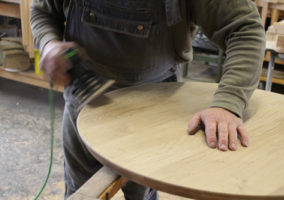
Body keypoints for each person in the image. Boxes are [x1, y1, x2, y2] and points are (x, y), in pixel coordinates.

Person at [30, 0, 265, 199]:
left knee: (142, 193)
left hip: (156, 110)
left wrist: (227, 102)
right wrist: (49, 43)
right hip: (84, 100)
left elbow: (245, 29)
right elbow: (42, 11)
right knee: (82, 191)